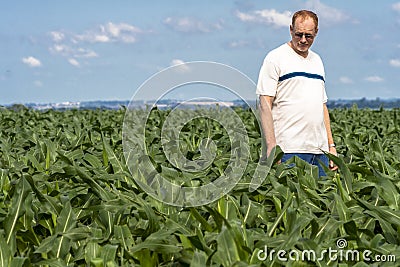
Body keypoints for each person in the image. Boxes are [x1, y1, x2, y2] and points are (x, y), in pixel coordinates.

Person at [256, 10, 337, 177]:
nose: (303, 40)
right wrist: (272, 147)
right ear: (291, 29)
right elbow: (264, 103)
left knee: (323, 201)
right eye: (298, 34)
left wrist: (331, 146)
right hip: (289, 151)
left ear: (316, 32)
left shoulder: (317, 61)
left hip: (319, 151)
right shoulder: (275, 58)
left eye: (308, 36)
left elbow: (322, 106)